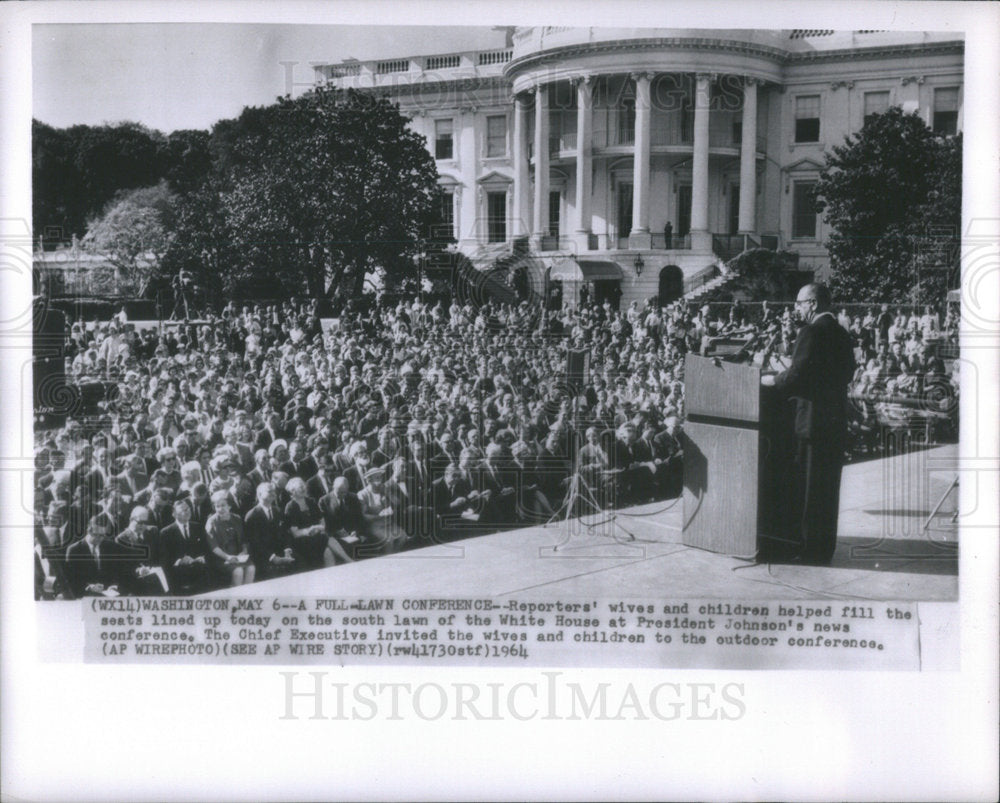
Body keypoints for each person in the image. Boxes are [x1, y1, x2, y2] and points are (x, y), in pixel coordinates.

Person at [762, 283, 856, 565]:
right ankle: (823, 548)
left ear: (813, 304)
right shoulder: (841, 332)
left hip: (812, 423)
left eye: (800, 303)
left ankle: (808, 550)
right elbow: (847, 372)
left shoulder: (811, 331)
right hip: (834, 421)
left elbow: (796, 376)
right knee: (827, 489)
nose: (796, 308)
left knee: (810, 488)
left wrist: (771, 379)